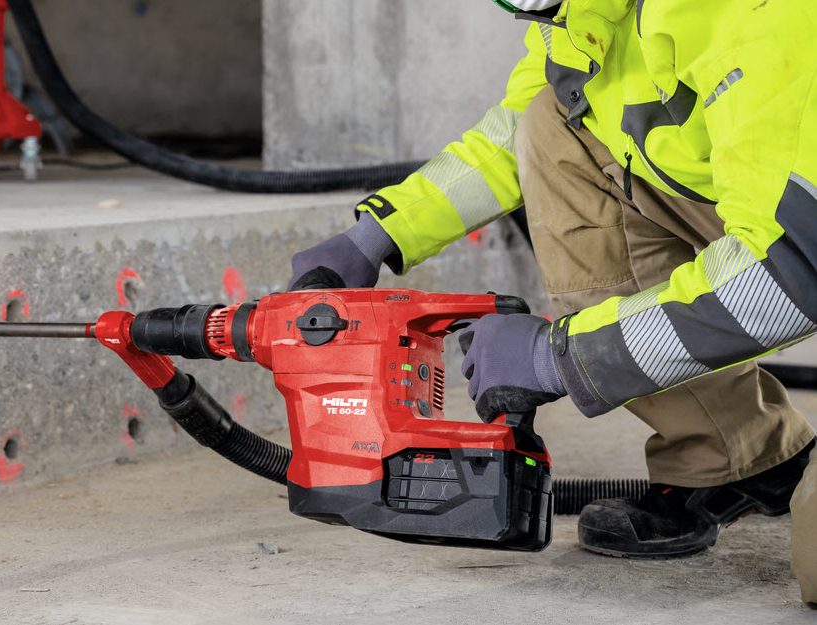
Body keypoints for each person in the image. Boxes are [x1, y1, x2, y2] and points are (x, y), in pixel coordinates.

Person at [288, 0, 817, 606]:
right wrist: (380, 234)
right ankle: (737, 453)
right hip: (764, 213)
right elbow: (513, 135)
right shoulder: (584, 11)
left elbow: (789, 275)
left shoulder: (754, 13)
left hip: (798, 249)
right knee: (551, 124)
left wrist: (561, 357)